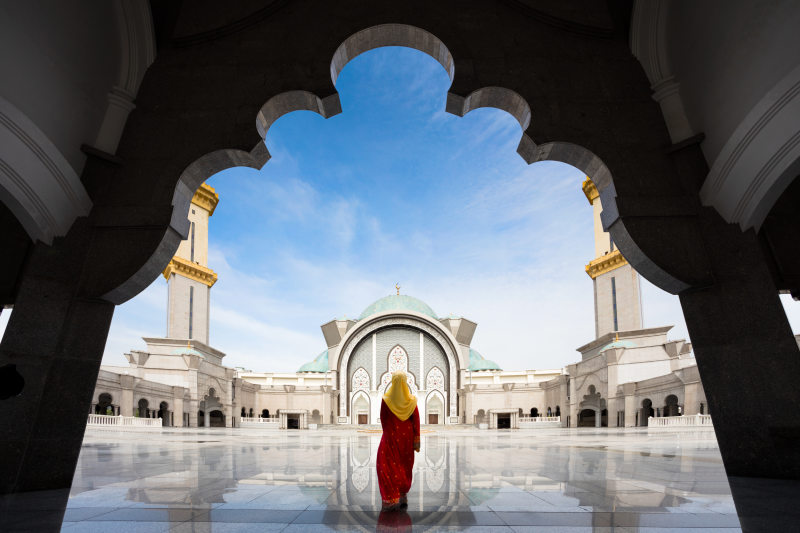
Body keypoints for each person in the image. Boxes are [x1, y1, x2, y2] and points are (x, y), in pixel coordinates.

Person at [377, 371, 420, 511]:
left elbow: (383, 418)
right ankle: (403, 493)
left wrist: (388, 432)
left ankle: (391, 496)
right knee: (405, 465)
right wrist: (416, 439)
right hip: (406, 438)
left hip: (390, 437)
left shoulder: (386, 399)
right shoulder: (411, 401)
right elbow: (416, 421)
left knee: (387, 465)